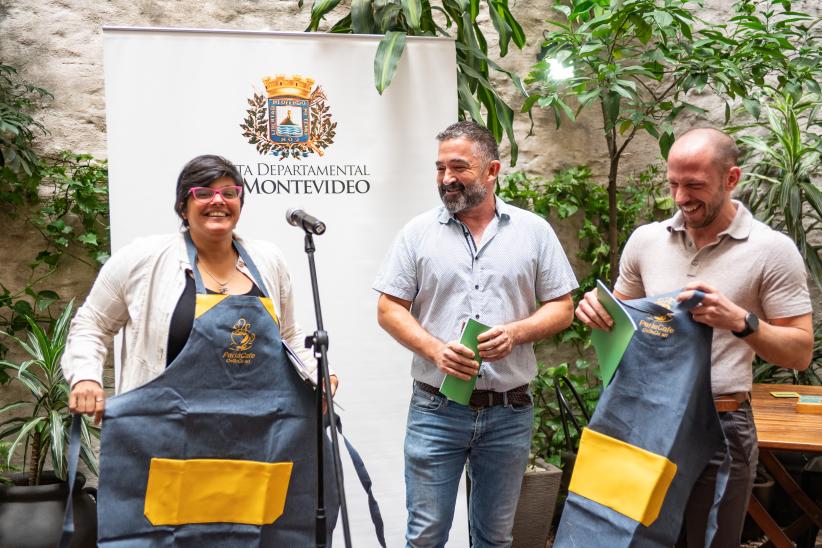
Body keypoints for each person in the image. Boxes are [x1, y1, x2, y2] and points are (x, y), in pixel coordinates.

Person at [61, 154, 339, 544]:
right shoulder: (143, 258)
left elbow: (289, 338)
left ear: (241, 202)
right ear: (183, 204)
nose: (218, 201)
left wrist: (316, 373)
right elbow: (91, 324)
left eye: (230, 192)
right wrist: (86, 377)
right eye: (203, 192)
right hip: (167, 441)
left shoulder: (268, 261)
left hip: (253, 448)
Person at [575, 127, 813, 547]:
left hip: (722, 425)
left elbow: (800, 352)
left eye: (695, 186)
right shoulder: (646, 241)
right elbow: (623, 324)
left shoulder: (771, 250)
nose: (681, 197)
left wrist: (740, 320)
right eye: (673, 184)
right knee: (625, 538)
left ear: (731, 178)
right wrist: (596, 311)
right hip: (644, 420)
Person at [374, 121, 578, 547]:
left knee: (495, 537)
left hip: (509, 410)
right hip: (436, 408)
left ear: (492, 170)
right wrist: (435, 350)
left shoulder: (534, 231)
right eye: (440, 168)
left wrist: (515, 333)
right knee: (425, 535)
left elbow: (563, 308)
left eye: (459, 167)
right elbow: (389, 308)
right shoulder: (416, 234)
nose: (447, 179)